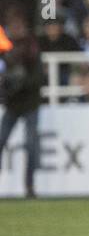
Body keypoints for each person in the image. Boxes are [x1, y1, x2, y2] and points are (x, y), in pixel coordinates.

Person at [0, 18, 42, 198]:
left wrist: (20, 83)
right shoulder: (5, 51)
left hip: (30, 103)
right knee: (0, 141)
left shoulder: (32, 49)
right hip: (13, 104)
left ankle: (30, 185)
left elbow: (37, 78)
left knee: (31, 145)